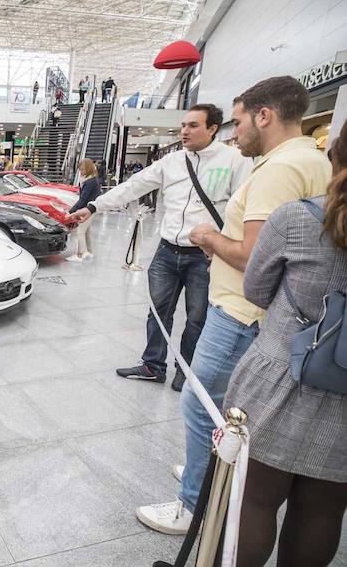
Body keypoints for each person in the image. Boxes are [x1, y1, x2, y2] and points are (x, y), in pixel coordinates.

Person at [135, 76, 332, 535]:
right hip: (272, 316)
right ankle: (206, 474)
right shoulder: (311, 159)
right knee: (227, 407)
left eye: (239, 121)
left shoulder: (278, 170)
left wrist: (206, 236)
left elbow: (253, 256)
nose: (234, 132)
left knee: (200, 404)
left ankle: (192, 508)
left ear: (264, 116)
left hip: (242, 313)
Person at [225, 119, 347, 567]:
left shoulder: (299, 217)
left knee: (255, 499)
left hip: (282, 378)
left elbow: (256, 290)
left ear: (335, 155)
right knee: (325, 508)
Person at [69, 104, 253, 393]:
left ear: (213, 128)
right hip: (167, 252)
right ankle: (153, 365)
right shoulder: (172, 161)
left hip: (203, 257)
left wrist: (225, 246)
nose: (184, 131)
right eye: (183, 125)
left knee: (197, 318)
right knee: (158, 312)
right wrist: (93, 206)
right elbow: (133, 186)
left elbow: (244, 211)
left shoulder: (234, 161)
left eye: (193, 125)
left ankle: (186, 370)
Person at [65, 160, 101, 262]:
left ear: (88, 168)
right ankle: (89, 252)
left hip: (89, 209)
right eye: (80, 169)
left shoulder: (90, 181)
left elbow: (83, 199)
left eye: (82, 169)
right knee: (87, 231)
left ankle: (79, 255)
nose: (80, 172)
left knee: (80, 231)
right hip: (90, 208)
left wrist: (71, 212)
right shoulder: (91, 179)